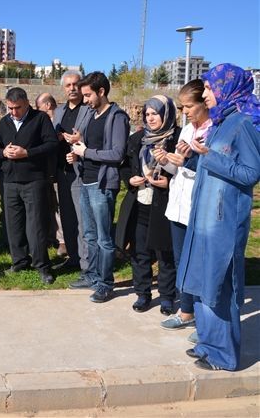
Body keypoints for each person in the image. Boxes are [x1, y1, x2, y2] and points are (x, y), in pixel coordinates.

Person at [177, 63, 259, 371]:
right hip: (204, 218)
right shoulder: (221, 122)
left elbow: (251, 173)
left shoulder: (242, 124)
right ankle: (207, 344)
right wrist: (194, 157)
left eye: (210, 88)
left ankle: (224, 355)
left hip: (224, 223)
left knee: (220, 285)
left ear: (228, 88)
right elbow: (212, 167)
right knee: (202, 282)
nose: (206, 93)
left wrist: (209, 156)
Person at [66, 72, 130, 302]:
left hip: (102, 185)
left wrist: (86, 152)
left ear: (101, 92)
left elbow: (117, 153)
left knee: (104, 238)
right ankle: (91, 275)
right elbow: (88, 147)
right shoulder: (92, 116)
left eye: (88, 95)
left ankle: (106, 283)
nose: (85, 100)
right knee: (90, 234)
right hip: (85, 180)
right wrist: (78, 155)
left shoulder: (117, 117)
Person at [155, 79, 211, 330]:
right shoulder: (187, 130)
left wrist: (188, 161)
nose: (185, 112)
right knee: (182, 261)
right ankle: (186, 311)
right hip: (178, 205)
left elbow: (211, 170)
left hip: (199, 207)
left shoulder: (213, 131)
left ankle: (204, 316)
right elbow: (177, 168)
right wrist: (165, 159)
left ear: (204, 103)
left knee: (199, 263)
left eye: (189, 106)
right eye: (181, 107)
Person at [116, 95, 179, 314]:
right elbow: (124, 166)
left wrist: (168, 182)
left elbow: (189, 170)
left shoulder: (177, 138)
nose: (150, 118)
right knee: (139, 252)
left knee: (165, 252)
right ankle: (143, 293)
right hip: (140, 202)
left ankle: (168, 296)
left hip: (164, 204)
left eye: (155, 113)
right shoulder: (137, 139)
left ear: (167, 114)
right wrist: (130, 180)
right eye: (147, 114)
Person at [0, 87, 58, 284]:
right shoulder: (5, 122)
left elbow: (51, 144)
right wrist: (4, 153)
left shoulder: (40, 119)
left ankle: (42, 265)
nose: (13, 112)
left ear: (27, 103)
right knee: (14, 224)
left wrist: (27, 153)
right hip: (9, 180)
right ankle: (19, 260)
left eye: (17, 108)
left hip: (34, 179)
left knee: (35, 224)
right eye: (9, 108)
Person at [53, 71, 93, 272]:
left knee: (82, 219)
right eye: (68, 85)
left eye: (75, 84)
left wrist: (79, 140)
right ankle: (73, 257)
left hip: (81, 170)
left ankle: (86, 262)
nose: (72, 88)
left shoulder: (88, 110)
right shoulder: (59, 112)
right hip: (62, 170)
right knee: (67, 217)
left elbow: (95, 136)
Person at [35, 92, 65, 257]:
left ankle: (63, 241)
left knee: (59, 207)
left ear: (47, 105)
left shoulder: (61, 121)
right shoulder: (43, 123)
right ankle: (51, 237)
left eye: (39, 107)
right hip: (46, 171)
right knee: (49, 206)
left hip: (60, 170)